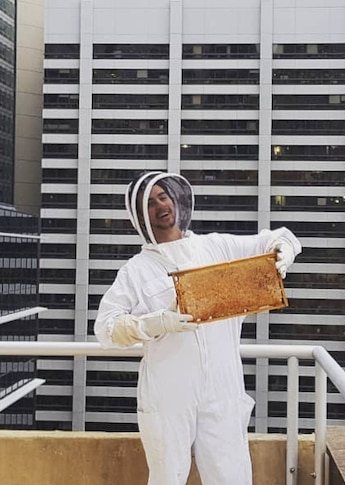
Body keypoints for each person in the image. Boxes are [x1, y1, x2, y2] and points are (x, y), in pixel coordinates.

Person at [94, 171, 301, 485]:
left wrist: (284, 253)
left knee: (232, 476)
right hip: (168, 391)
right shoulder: (135, 271)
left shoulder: (215, 247)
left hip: (223, 384)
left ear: (175, 199)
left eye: (162, 196)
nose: (160, 205)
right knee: (167, 477)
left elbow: (278, 237)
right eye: (150, 203)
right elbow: (106, 329)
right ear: (140, 216)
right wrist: (155, 323)